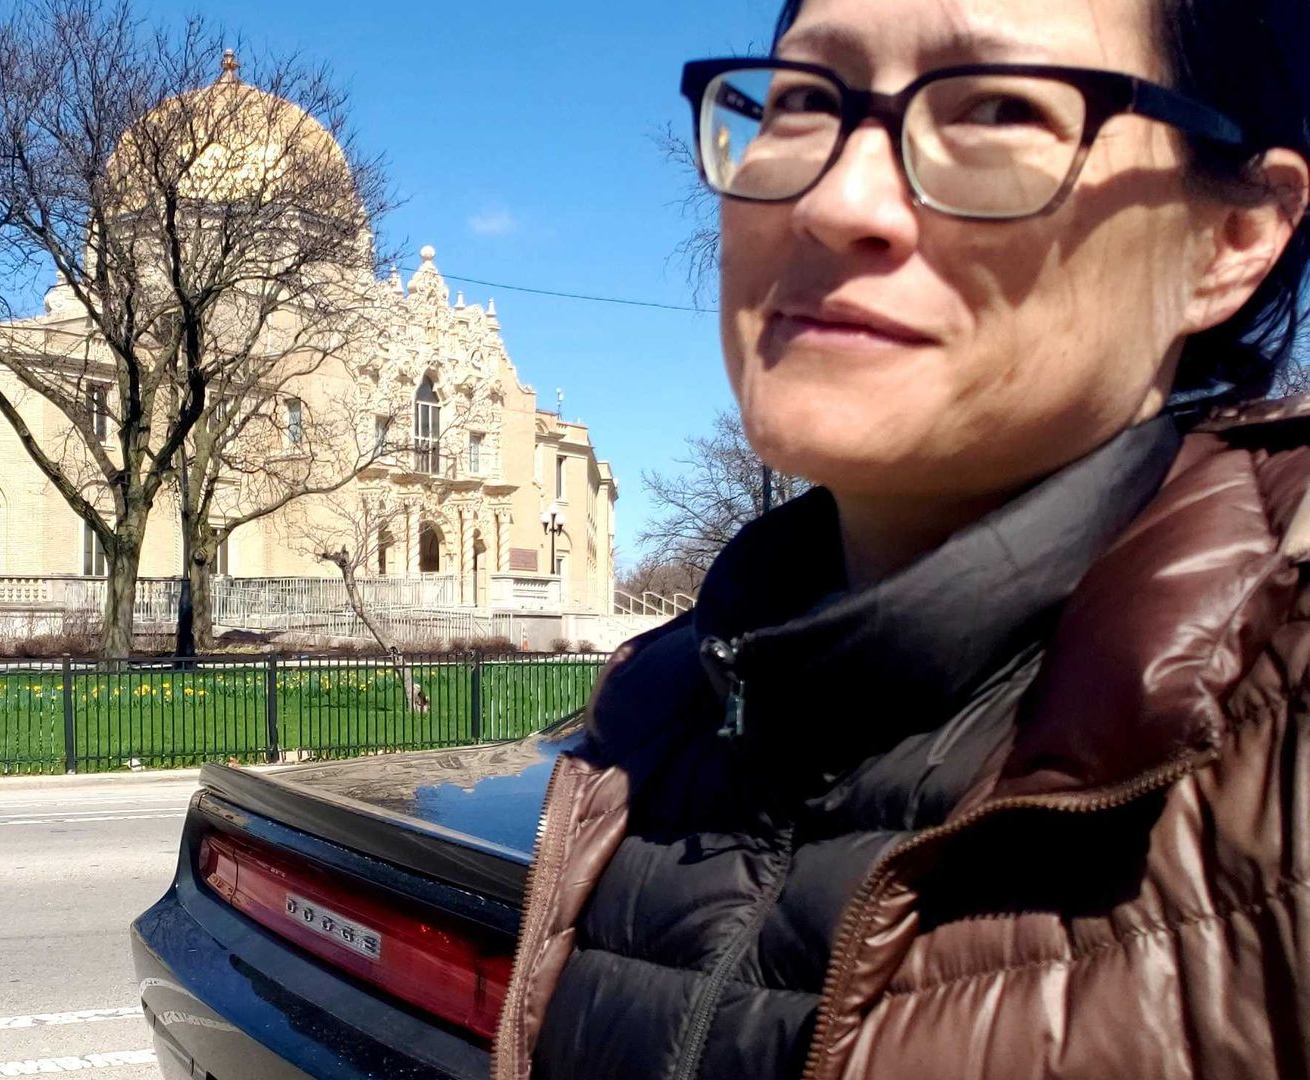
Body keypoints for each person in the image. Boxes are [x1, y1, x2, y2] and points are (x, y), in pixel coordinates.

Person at [490, 0, 1310, 1077]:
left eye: (999, 110)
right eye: (800, 103)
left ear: (1231, 237)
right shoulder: (649, 726)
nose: (835, 200)